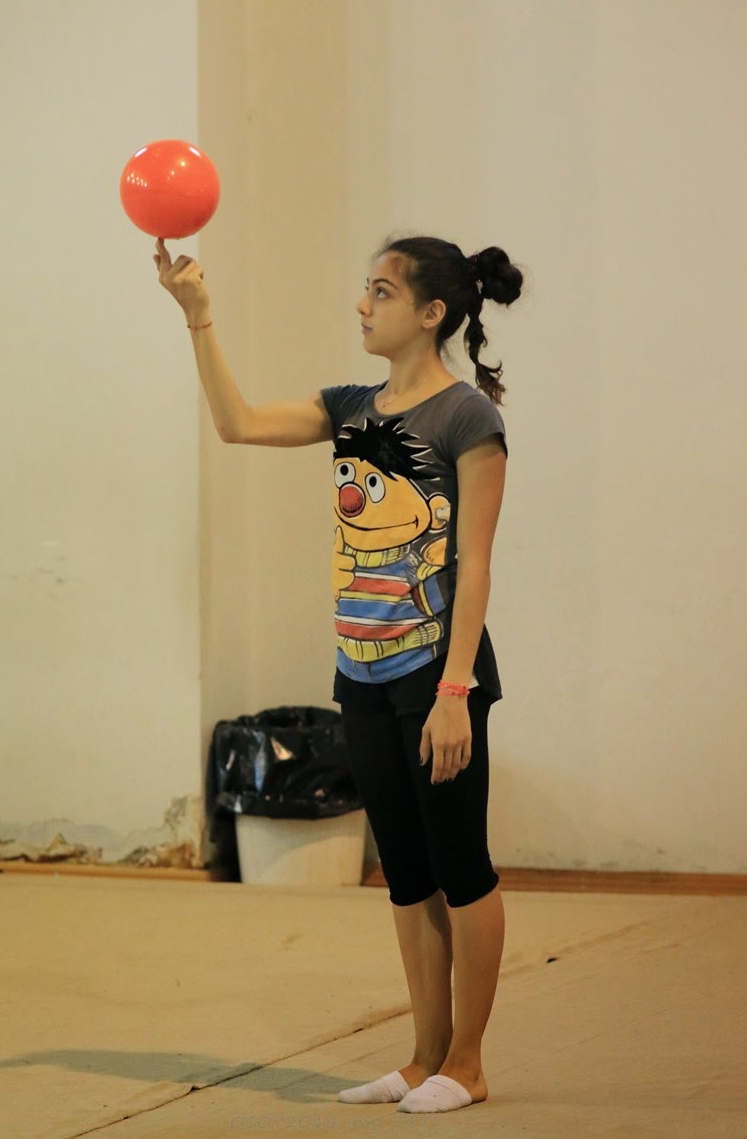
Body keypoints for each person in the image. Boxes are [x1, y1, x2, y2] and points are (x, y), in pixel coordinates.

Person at [154, 232, 523, 1115]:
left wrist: (454, 693)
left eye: (381, 292)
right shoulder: (352, 408)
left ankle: (468, 1063)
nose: (362, 304)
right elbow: (238, 424)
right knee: (405, 871)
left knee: (459, 864)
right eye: (366, 288)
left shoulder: (467, 417)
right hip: (360, 672)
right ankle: (424, 1057)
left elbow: (474, 565)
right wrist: (199, 317)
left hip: (436, 672)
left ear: (431, 313)